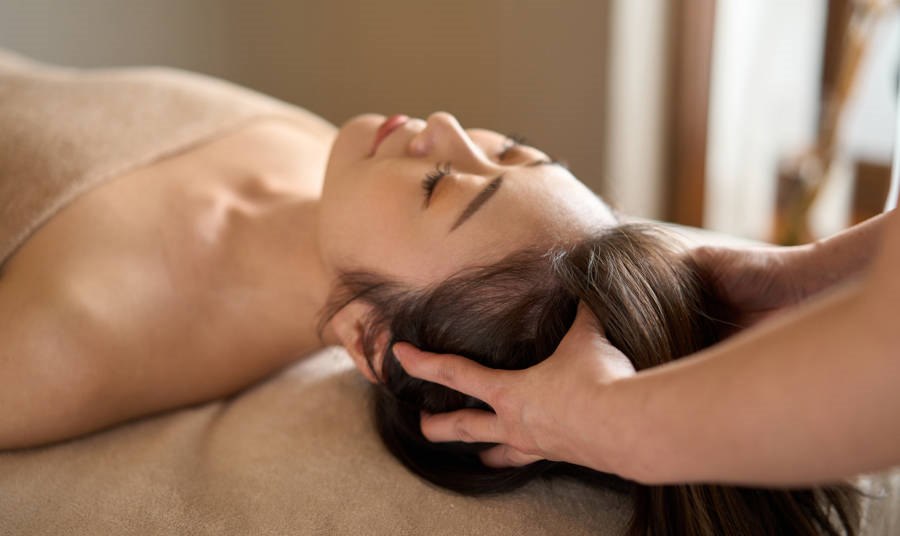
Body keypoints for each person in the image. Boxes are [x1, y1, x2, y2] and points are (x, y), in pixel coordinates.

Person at [0, 54, 867, 534]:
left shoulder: (64, 346)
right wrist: (813, 264)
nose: (447, 127)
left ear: (373, 341)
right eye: (514, 149)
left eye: (442, 185)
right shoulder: (333, 170)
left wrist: (619, 425)